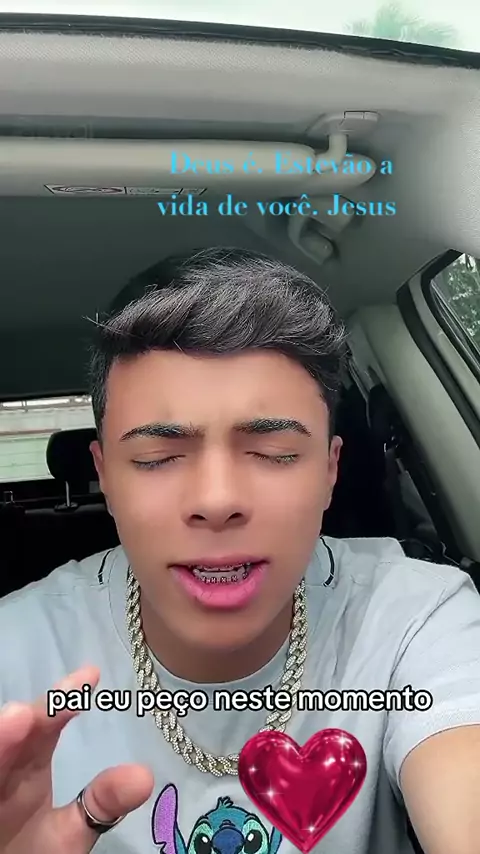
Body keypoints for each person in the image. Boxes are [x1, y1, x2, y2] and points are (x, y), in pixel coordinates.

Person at [1, 247, 480, 854]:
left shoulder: (416, 617)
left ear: (330, 470)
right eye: (158, 458)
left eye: (274, 453)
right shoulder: (16, 650)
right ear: (106, 480)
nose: (217, 500)